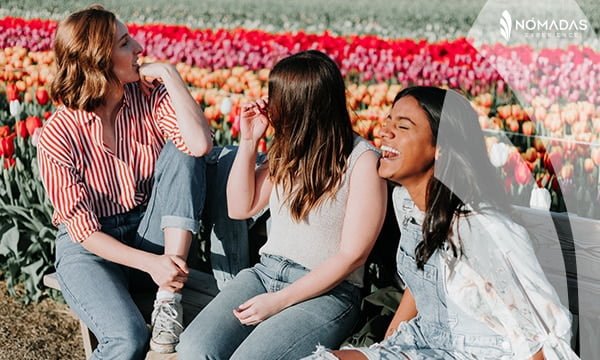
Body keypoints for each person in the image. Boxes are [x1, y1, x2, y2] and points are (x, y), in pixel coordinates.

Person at [304, 86, 577, 360]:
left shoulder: (482, 228)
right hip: (420, 344)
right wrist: (387, 343)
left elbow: (541, 340)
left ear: (441, 149)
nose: (385, 131)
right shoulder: (406, 202)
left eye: (403, 126)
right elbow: (425, 278)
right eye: (388, 121)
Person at [176, 50, 387, 359]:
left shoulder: (363, 160)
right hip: (264, 274)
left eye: (276, 97)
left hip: (327, 292)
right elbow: (240, 207)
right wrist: (249, 142)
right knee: (194, 349)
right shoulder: (289, 150)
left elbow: (352, 256)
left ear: (301, 105)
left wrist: (279, 301)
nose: (269, 105)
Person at [37, 5, 212, 358]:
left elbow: (199, 145)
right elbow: (84, 233)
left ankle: (168, 299)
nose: (139, 48)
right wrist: (152, 265)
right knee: (127, 339)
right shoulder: (57, 135)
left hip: (147, 232)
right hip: (91, 251)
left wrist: (170, 75)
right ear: (99, 60)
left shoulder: (149, 98)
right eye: (125, 43)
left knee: (181, 153)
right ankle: (163, 286)